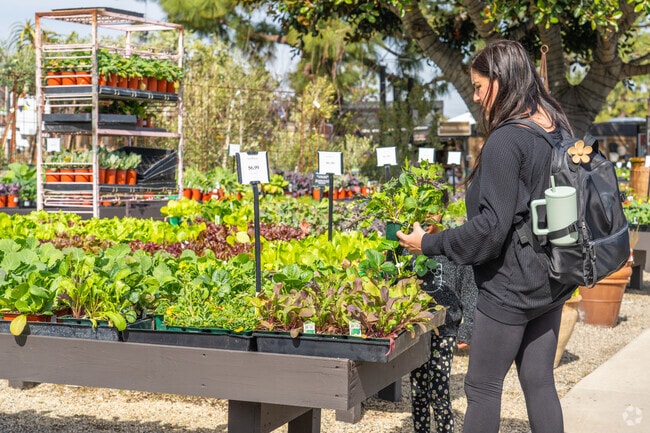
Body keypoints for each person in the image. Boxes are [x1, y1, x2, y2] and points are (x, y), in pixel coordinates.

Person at [397, 39, 573, 433]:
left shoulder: (507, 140)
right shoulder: (554, 125)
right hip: (553, 276)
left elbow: (490, 231)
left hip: (511, 286)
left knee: (481, 387)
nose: (476, 97)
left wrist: (428, 243)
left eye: (479, 86)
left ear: (501, 80)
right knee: (539, 381)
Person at [410, 252, 477, 433]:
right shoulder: (408, 247)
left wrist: (468, 328)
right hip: (416, 332)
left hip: (445, 331)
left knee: (439, 390)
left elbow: (470, 289)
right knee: (418, 390)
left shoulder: (454, 248)